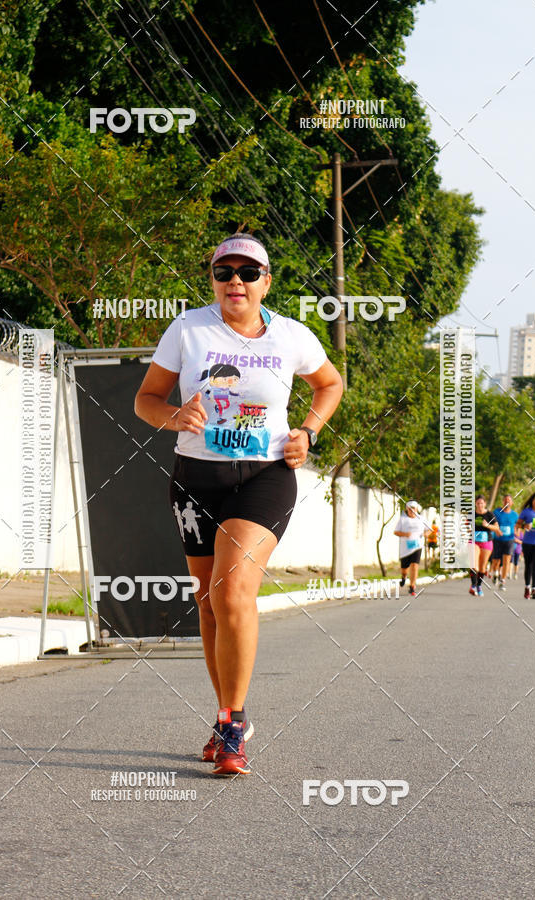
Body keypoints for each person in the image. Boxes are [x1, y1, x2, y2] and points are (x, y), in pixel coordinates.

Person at [134, 232, 343, 775]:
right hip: (195, 480)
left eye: (248, 273)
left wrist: (309, 432)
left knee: (232, 592)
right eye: (224, 271)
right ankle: (224, 712)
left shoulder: (292, 336)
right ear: (213, 281)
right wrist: (174, 416)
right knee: (208, 603)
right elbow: (146, 400)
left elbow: (329, 384)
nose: (235, 282)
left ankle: (233, 726)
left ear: (265, 282)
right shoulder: (187, 329)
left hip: (265, 477)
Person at [394, 500, 432, 596]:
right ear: (407, 510)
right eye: (410, 509)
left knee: (415, 565)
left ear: (417, 509)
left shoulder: (421, 519)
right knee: (404, 568)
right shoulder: (403, 519)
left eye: (413, 509)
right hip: (405, 547)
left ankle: (412, 586)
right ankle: (404, 577)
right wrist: (405, 534)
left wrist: (425, 534)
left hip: (417, 546)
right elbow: (396, 532)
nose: (412, 511)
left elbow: (429, 530)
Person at [470, 496, 502, 597]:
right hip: (473, 541)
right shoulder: (471, 514)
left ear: (485, 504)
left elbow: (497, 528)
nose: (480, 505)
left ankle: (479, 586)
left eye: (481, 503)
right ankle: (473, 586)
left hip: (486, 542)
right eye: (478, 503)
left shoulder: (489, 514)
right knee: (473, 564)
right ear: (475, 504)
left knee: (482, 567)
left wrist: (487, 525)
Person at [490, 494, 519, 591]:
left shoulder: (515, 515)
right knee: (496, 561)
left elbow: (517, 527)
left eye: (509, 501)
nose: (507, 503)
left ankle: (502, 581)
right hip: (498, 540)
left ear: (511, 503)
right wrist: (496, 530)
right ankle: (495, 574)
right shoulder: (497, 512)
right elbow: (492, 524)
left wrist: (517, 532)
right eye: (505, 501)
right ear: (503, 502)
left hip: (509, 540)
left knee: (507, 561)